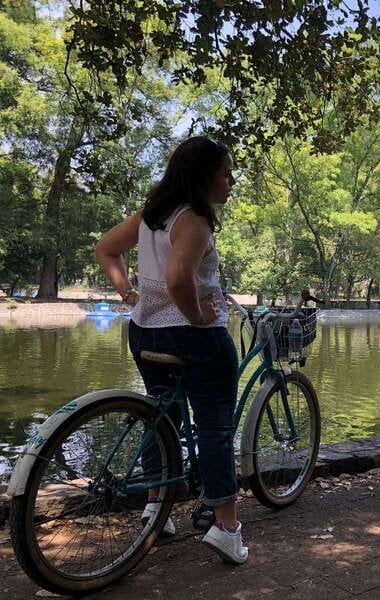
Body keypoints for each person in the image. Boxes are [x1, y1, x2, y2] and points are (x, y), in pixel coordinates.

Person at [94, 136, 247, 564]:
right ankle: (226, 528)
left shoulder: (151, 216)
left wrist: (129, 296)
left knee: (160, 418)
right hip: (195, 339)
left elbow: (105, 248)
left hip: (145, 334)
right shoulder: (194, 219)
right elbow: (180, 277)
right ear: (204, 177)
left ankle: (155, 508)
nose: (231, 181)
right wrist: (198, 316)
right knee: (215, 428)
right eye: (225, 172)